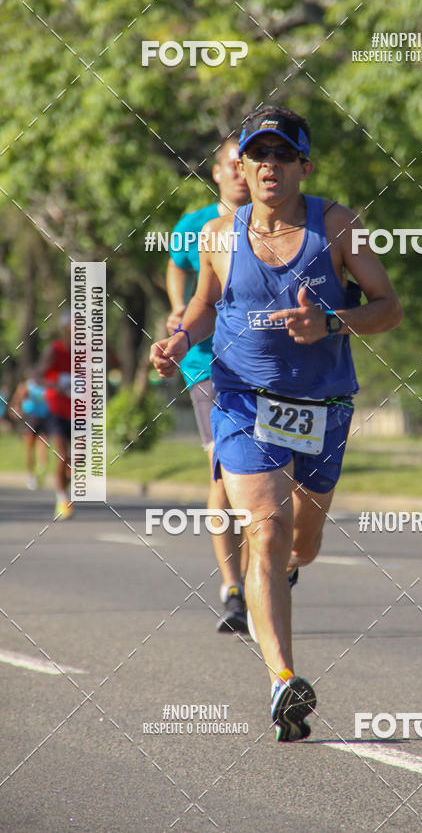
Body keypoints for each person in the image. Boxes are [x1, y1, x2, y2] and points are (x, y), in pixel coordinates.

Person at [150, 105, 402, 742]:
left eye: (280, 155)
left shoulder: (341, 226)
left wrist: (332, 321)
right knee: (265, 527)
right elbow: (205, 307)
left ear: (302, 166)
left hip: (321, 404)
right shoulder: (218, 236)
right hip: (239, 397)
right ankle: (283, 679)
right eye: (255, 155)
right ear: (241, 166)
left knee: (301, 542)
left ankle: (288, 571)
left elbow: (389, 306)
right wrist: (179, 341)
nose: (266, 166)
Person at [166, 138, 251, 633]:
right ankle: (233, 588)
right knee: (223, 473)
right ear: (217, 173)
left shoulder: (286, 223)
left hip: (273, 366)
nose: (243, 172)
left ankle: (277, 556)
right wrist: (179, 309)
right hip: (209, 362)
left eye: (250, 164)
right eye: (232, 165)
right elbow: (176, 269)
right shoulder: (196, 226)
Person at [37, 310, 73, 519]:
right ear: (65, 329)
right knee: (62, 455)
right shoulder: (54, 351)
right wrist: (56, 384)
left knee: (76, 459)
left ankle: (64, 485)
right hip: (57, 410)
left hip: (79, 411)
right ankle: (62, 499)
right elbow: (37, 376)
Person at [10, 371, 50, 490]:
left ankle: (40, 471)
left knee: (42, 445)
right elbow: (17, 401)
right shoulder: (27, 386)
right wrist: (16, 409)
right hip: (30, 419)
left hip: (44, 418)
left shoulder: (46, 385)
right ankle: (31, 475)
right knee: (29, 447)